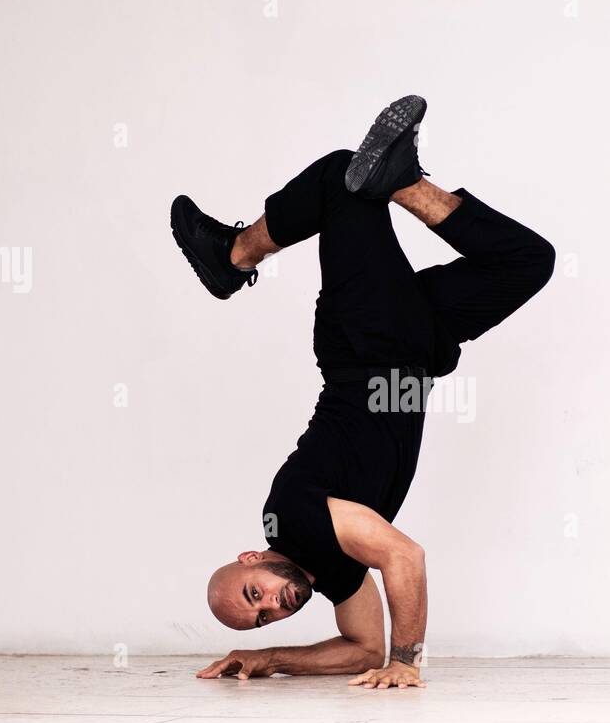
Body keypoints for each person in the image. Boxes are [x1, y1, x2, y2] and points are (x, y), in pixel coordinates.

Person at [169, 96, 553, 689]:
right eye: (263, 618)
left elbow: (405, 556)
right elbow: (362, 648)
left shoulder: (292, 519)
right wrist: (272, 658)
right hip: (414, 351)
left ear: (252, 558)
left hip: (366, 347)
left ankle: (233, 254)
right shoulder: (331, 569)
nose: (274, 606)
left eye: (257, 594)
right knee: (527, 261)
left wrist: (407, 661)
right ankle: (404, 183)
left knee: (338, 180)